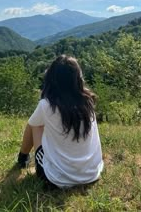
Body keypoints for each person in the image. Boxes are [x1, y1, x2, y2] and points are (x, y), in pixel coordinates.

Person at [17, 55, 104, 188]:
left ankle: (22, 157)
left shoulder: (46, 105)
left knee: (35, 124)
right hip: (91, 174)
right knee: (38, 122)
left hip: (55, 178)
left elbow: (34, 124)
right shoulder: (88, 101)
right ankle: (23, 157)